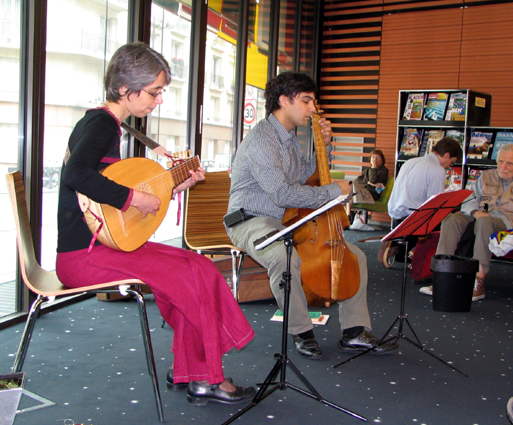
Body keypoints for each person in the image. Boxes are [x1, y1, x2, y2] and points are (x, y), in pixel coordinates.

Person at [56, 42, 255, 406]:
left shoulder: (106, 124)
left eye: (160, 92)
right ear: (123, 89)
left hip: (104, 244)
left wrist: (174, 185)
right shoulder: (101, 124)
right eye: (154, 92)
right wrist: (135, 198)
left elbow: (112, 198)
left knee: (197, 264)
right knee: (188, 276)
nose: (159, 100)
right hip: (83, 256)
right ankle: (208, 377)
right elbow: (76, 174)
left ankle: (192, 372)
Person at [226, 71, 397, 360]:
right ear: (283, 100)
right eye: (306, 101)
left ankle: (354, 332)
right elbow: (282, 194)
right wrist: (333, 191)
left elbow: (307, 179)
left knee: (352, 255)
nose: (313, 109)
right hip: (250, 220)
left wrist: (325, 147)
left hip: (288, 220)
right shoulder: (262, 141)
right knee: (285, 258)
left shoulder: (289, 138)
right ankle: (301, 332)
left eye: (312, 102)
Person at [420, 143, 513, 301]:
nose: (503, 167)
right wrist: (475, 212)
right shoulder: (486, 176)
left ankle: (478, 279)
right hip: (482, 215)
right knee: (452, 219)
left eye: (509, 163)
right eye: (500, 162)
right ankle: (442, 276)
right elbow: (469, 199)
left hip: (509, 222)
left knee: (485, 222)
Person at [378, 137, 463, 266]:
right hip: (413, 219)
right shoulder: (437, 169)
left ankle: (399, 247)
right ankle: (429, 259)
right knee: (452, 223)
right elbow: (434, 204)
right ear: (447, 155)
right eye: (451, 162)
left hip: (395, 214)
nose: (450, 166)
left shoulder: (410, 162)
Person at [347, 148, 389, 231]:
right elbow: (357, 181)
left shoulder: (384, 170)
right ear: (370, 160)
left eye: (378, 158)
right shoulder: (366, 171)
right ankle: (348, 217)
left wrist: (374, 167)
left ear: (382, 161)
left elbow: (373, 180)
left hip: (372, 195)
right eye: (373, 157)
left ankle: (348, 217)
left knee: (350, 195)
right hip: (361, 192)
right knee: (348, 193)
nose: (375, 160)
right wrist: (369, 183)